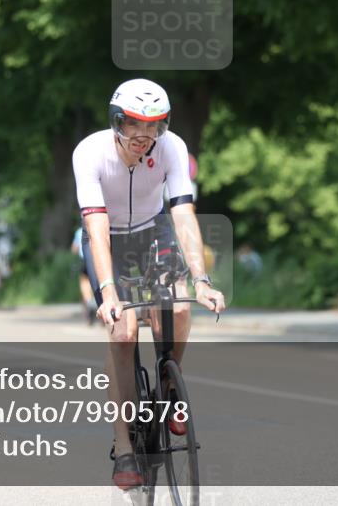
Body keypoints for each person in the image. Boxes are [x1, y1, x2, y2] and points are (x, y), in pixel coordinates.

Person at [73, 78, 226, 490]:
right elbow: (97, 226)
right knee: (122, 329)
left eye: (155, 124)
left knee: (177, 307)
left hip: (151, 231)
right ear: (117, 121)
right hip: (107, 238)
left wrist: (202, 280)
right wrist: (107, 293)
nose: (145, 134)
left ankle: (169, 388)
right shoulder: (89, 153)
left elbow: (182, 215)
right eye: (136, 124)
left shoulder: (172, 147)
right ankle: (123, 447)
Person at [71, 226, 97, 325]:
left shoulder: (79, 231)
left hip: (85, 260)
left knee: (84, 282)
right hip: (99, 259)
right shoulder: (98, 225)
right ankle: (98, 303)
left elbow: (74, 248)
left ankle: (89, 302)